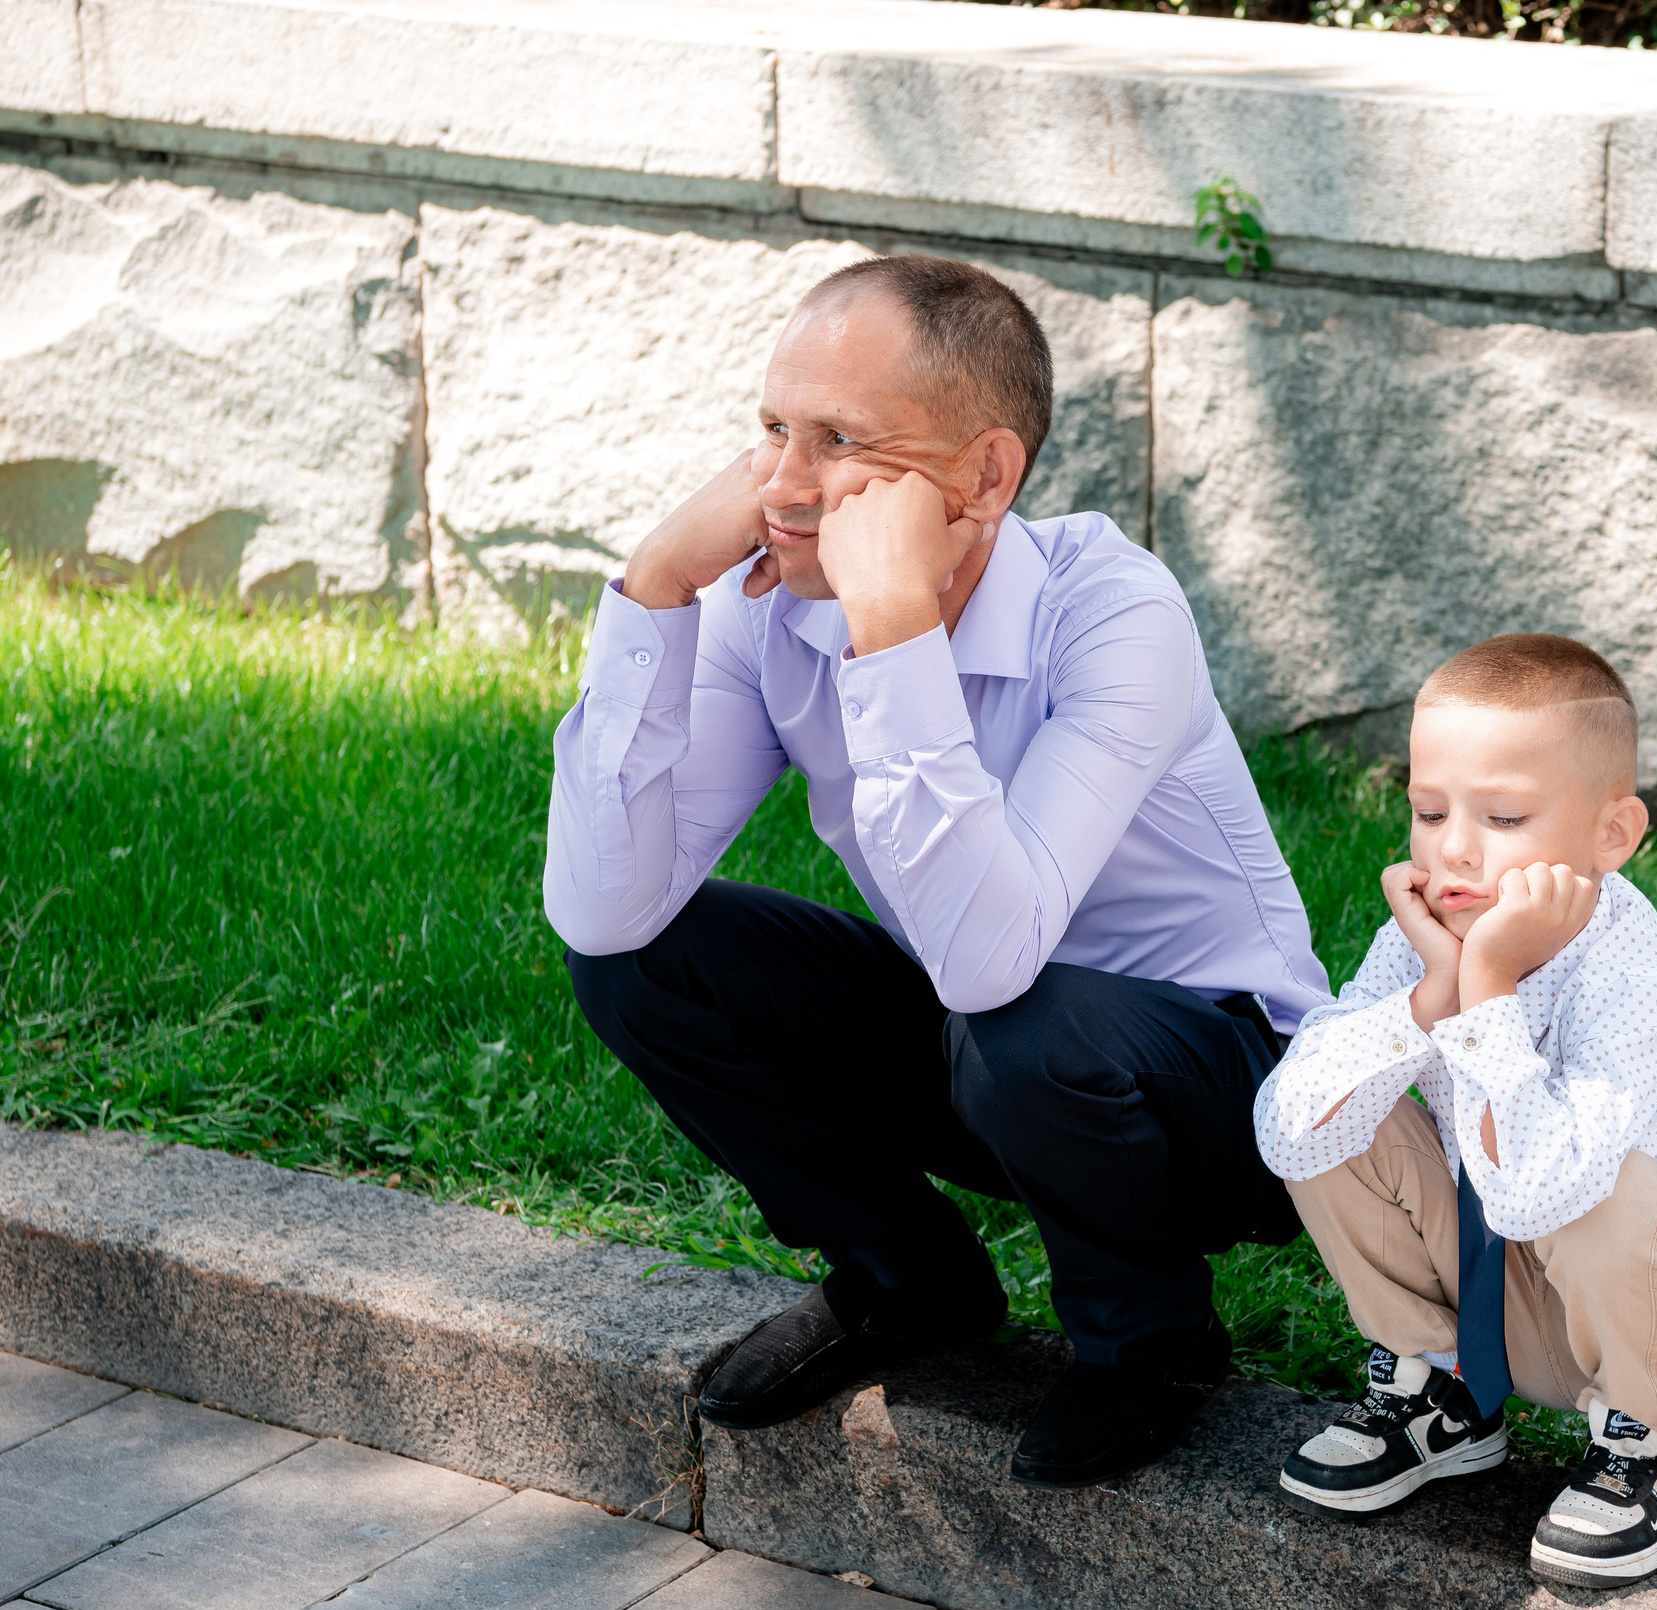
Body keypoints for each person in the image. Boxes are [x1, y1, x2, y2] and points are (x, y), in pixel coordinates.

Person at [545, 254, 1330, 1488]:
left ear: (985, 475)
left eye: (841, 441)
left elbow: (991, 956)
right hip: (989, 1041)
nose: (784, 486)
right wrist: (651, 587)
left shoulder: (1115, 613)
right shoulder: (770, 604)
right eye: (770, 431)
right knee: (641, 962)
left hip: (1232, 1097)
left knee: (1022, 1016)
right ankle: (911, 1281)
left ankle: (1152, 1339)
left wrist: (894, 628)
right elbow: (602, 906)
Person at [1252, 633, 1657, 1587]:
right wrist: (1432, 999)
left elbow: (1542, 1187)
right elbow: (1284, 1127)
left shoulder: (1636, 977)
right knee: (1337, 1105)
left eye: (1505, 816)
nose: (1455, 850)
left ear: (1613, 836)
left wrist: (1489, 991)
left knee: (1599, 1180)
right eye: (1428, 812)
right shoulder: (1429, 941)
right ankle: (1444, 1393)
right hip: (1508, 1297)